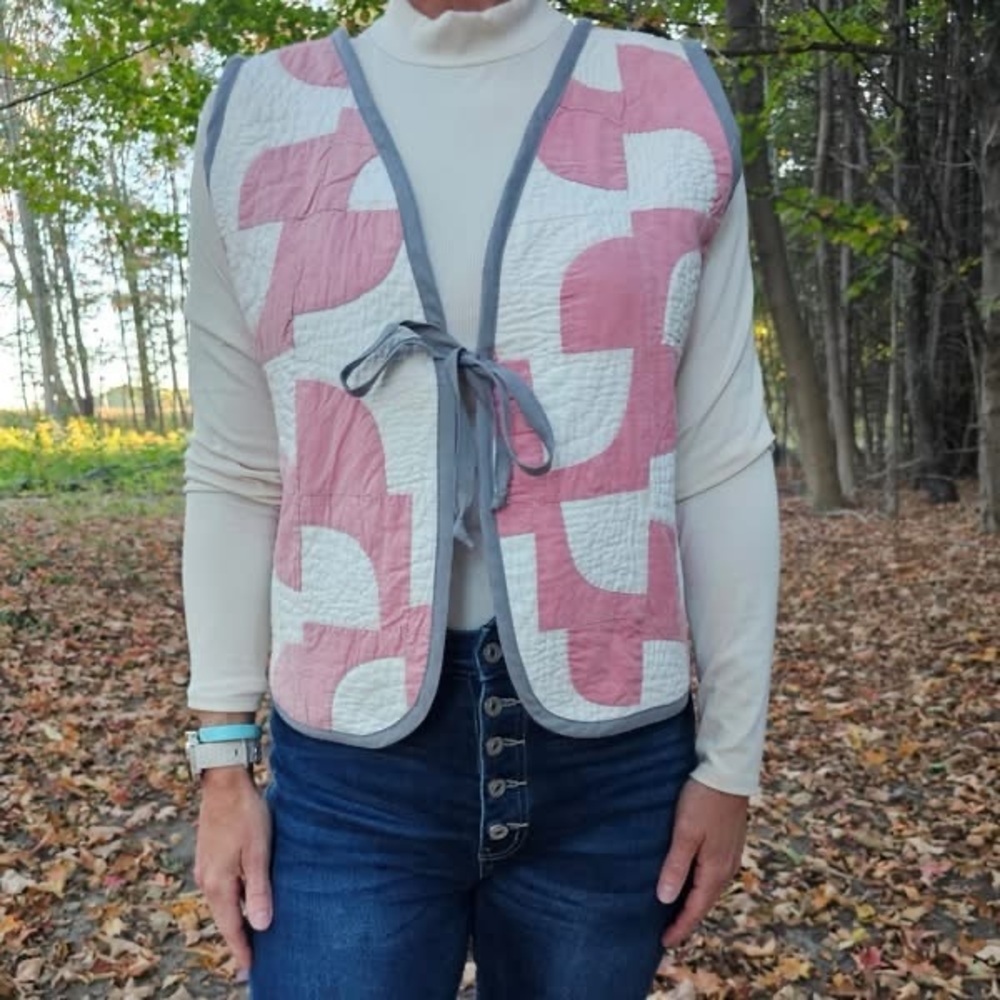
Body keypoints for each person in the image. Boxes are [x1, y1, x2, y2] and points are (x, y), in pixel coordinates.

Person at [182, 0, 780, 996]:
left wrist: (730, 763)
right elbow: (239, 468)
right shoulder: (260, 115)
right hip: (348, 772)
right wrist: (221, 763)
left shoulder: (670, 104)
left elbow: (716, 456)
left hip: (613, 756)